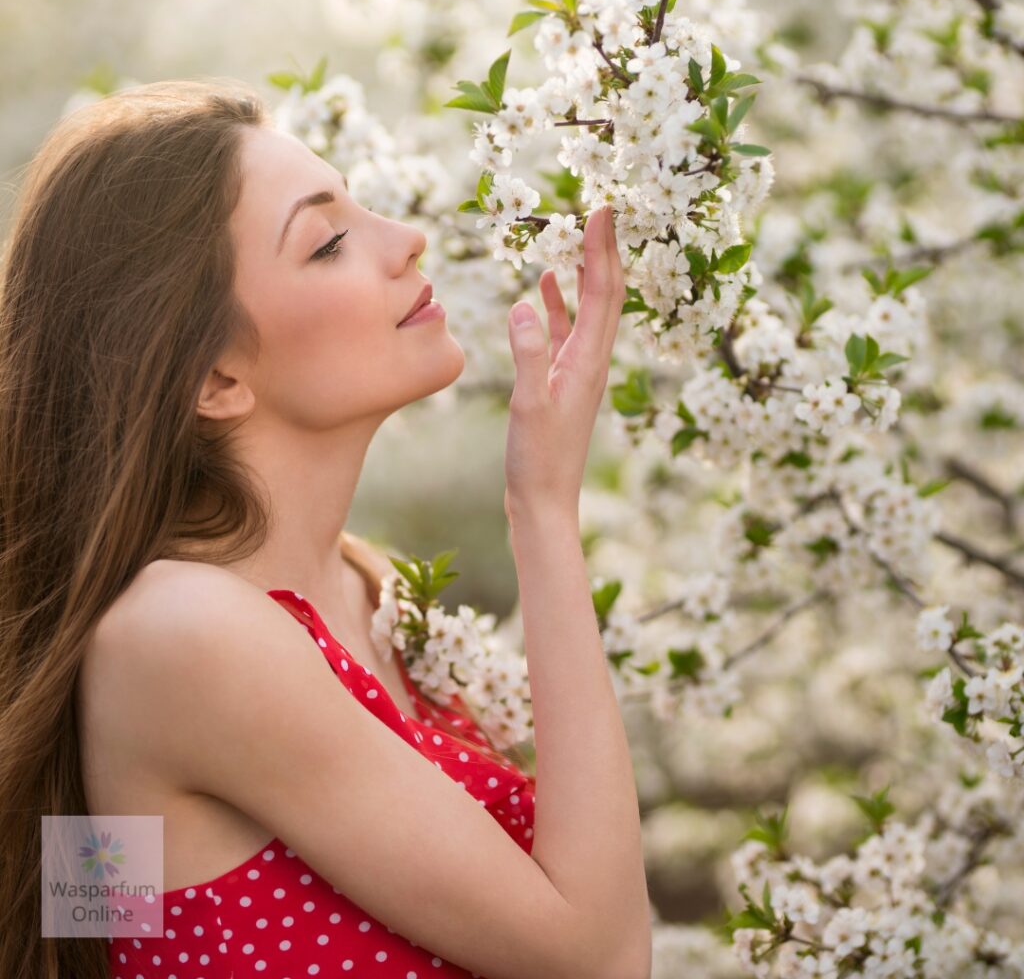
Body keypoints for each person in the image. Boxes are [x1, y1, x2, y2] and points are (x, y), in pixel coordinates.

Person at [0, 79, 651, 979]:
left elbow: (118, 919)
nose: (409, 238)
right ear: (216, 377)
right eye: (330, 241)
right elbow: (599, 958)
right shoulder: (179, 633)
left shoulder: (368, 583)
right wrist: (541, 512)